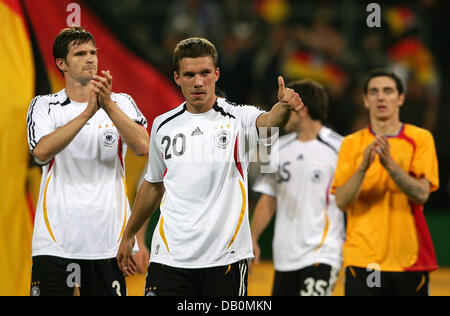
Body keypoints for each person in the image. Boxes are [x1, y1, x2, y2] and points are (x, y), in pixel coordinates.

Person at [116, 37, 303, 296]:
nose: (198, 81)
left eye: (205, 73)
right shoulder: (162, 125)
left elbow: (270, 120)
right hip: (169, 260)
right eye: (189, 74)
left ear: (216, 74)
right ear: (177, 77)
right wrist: (130, 234)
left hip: (224, 261)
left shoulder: (238, 118)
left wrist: (283, 107)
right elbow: (153, 185)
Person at [26, 26, 149, 296]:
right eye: (80, 53)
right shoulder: (44, 105)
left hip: (107, 243)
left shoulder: (122, 103)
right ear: (61, 64)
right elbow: (41, 151)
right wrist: (86, 114)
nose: (90, 58)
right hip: (55, 243)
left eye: (93, 52)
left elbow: (142, 146)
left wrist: (107, 106)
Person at [331, 68, 440, 296]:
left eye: (388, 91)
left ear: (400, 98)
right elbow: (341, 201)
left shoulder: (420, 139)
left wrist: (390, 164)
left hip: (408, 260)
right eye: (374, 92)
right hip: (363, 260)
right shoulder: (351, 144)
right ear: (365, 100)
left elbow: (421, 194)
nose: (381, 97)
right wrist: (362, 168)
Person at [251, 79, 345, 296]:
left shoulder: (339, 148)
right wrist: (253, 238)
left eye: (287, 108)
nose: (283, 115)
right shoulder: (279, 149)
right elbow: (268, 198)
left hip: (322, 255)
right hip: (284, 259)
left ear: (301, 108)